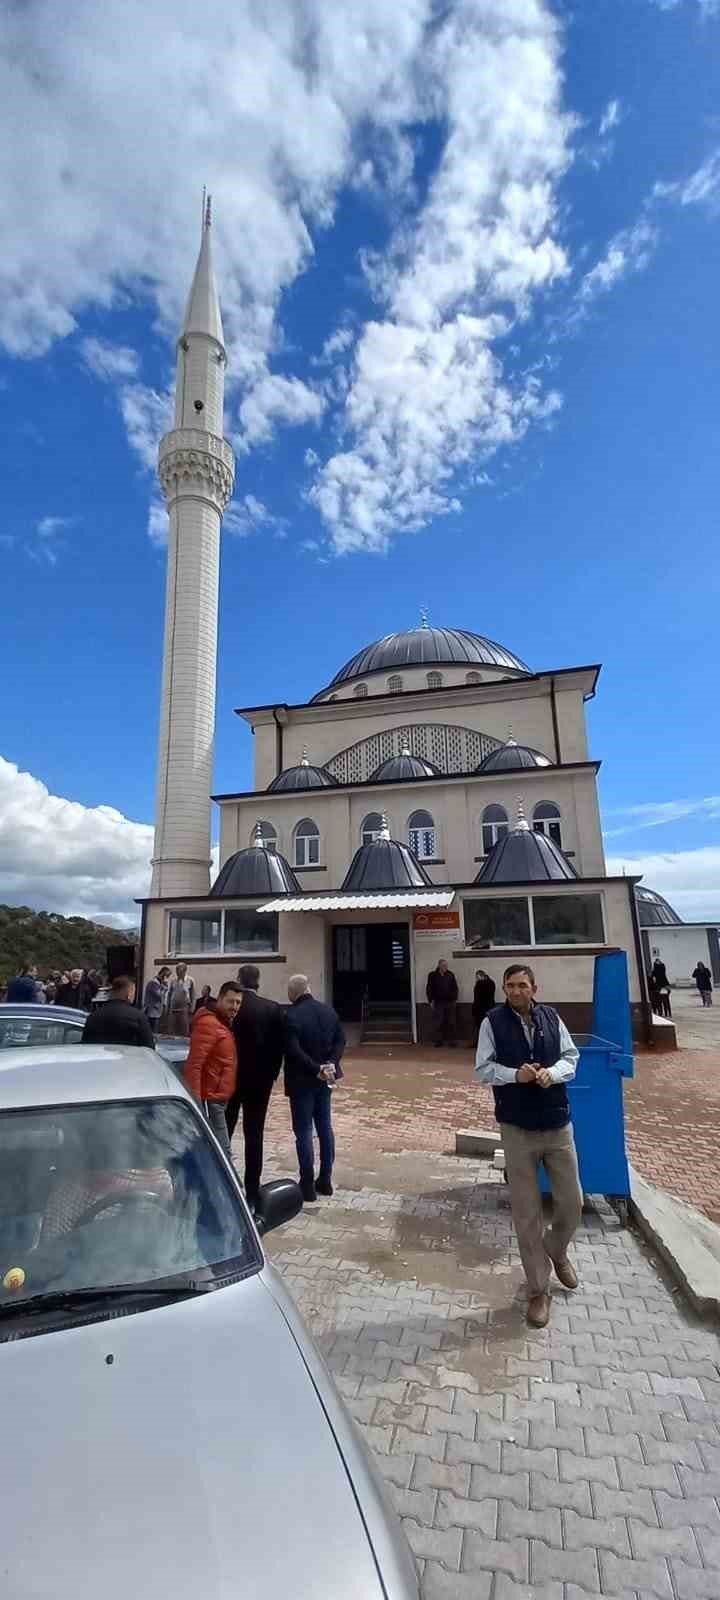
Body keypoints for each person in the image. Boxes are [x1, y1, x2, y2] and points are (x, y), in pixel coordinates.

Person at [474, 963, 581, 1329]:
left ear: (534, 986)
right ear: (504, 989)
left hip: (557, 1124)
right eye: (510, 986)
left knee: (572, 1202)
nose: (516, 991)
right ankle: (539, 1289)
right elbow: (482, 1069)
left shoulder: (552, 1017)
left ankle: (558, 1248)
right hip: (517, 1128)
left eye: (522, 985)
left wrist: (554, 1074)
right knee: (526, 1212)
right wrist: (513, 1076)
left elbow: (572, 1058)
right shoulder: (492, 1022)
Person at [226, 965, 284, 1209]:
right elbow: (278, 1048)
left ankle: (222, 1180)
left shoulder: (231, 1008)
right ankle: (252, 1190)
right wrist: (271, 1076)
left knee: (224, 1130)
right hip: (259, 1082)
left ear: (239, 979)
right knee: (254, 1135)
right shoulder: (272, 1008)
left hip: (230, 1080)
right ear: (258, 980)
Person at [284, 974, 345, 1203]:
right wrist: (330, 1063)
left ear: (294, 992)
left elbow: (293, 1049)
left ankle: (307, 1184)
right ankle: (326, 1179)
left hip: (302, 1082)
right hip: (325, 1079)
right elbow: (341, 1040)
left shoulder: (291, 1015)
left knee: (304, 1133)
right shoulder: (328, 1011)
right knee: (325, 1128)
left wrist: (314, 1068)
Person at [183, 981, 242, 1160]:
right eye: (231, 1002)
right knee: (224, 1153)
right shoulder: (209, 1023)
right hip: (210, 1099)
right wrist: (197, 1104)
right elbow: (194, 1064)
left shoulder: (221, 1022)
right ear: (221, 999)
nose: (235, 1007)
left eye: (238, 1003)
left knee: (217, 1150)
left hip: (218, 1096)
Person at [81, 975, 156, 1047]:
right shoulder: (138, 1017)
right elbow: (148, 1047)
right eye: (134, 993)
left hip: (100, 1058)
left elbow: (86, 1045)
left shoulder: (93, 1016)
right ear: (129, 994)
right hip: (128, 1058)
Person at [426, 958, 459, 1047]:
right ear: (439, 965)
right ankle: (438, 1041)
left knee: (451, 1022)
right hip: (438, 1002)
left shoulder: (450, 974)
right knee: (438, 1022)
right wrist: (430, 1000)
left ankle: (452, 1041)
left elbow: (455, 988)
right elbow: (429, 988)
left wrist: (454, 999)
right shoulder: (432, 975)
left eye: (446, 965)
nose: (445, 967)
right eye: (443, 965)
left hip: (449, 1002)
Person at [166, 963, 196, 1036]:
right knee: (172, 1030)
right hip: (173, 1009)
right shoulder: (173, 981)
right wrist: (167, 1007)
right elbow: (169, 995)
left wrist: (192, 1009)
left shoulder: (190, 980)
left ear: (184, 970)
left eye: (178, 970)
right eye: (176, 970)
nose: (176, 972)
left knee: (184, 1030)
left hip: (184, 1009)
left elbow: (193, 995)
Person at [472, 968, 496, 1046]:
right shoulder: (491, 983)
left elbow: (477, 998)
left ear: (480, 976)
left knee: (481, 1026)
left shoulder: (479, 984)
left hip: (480, 1009)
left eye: (477, 977)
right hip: (490, 1008)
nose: (476, 979)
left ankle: (481, 1042)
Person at [143, 966, 171, 1032]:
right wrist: (165, 987)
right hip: (152, 1013)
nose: (167, 978)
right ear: (163, 975)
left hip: (157, 1012)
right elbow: (159, 996)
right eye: (167, 976)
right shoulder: (153, 983)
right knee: (153, 1032)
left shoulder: (159, 983)